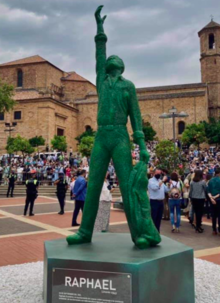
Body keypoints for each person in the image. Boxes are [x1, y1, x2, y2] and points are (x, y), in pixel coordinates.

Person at [67, 6, 160, 249]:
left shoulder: (128, 86)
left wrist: (142, 146)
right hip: (102, 135)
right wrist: (100, 28)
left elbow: (136, 117)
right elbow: (99, 53)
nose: (110, 59)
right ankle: (85, 232)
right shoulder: (101, 80)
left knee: (128, 185)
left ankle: (139, 234)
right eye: (109, 59)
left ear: (121, 66)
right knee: (94, 182)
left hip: (120, 134)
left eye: (114, 60)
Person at [207, 167, 220, 235]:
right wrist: (215, 197)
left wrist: (212, 198)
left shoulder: (210, 180)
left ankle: (214, 230)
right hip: (218, 199)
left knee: (213, 216)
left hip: (212, 200)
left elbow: (208, 191)